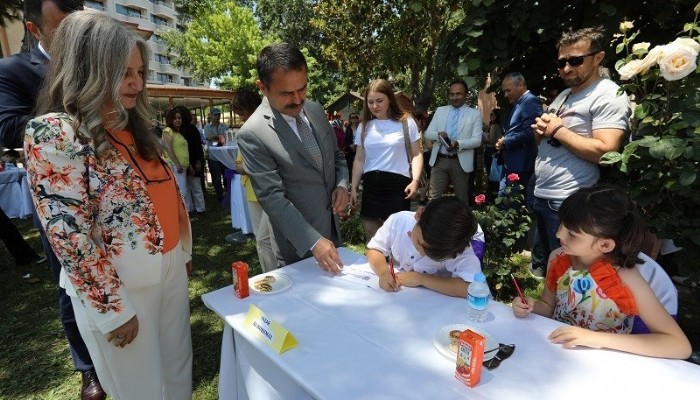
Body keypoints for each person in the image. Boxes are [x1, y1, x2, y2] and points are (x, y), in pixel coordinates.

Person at [25, 10, 193, 399]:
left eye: (139, 72)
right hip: (122, 292)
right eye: (124, 72)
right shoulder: (54, 133)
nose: (136, 83)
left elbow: (167, 196)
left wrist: (182, 251)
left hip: (169, 272)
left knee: (179, 378)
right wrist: (111, 309)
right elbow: (68, 234)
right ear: (90, 69)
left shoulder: (135, 126)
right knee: (143, 391)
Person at [0, 2, 106, 399]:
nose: (78, 36)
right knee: (71, 282)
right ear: (34, 28)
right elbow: (9, 129)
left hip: (114, 192)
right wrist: (69, 91)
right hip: (60, 200)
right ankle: (88, 368)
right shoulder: (13, 70)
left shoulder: (100, 61)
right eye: (64, 28)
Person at [512, 185, 691, 359]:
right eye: (561, 225)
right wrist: (532, 306)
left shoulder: (624, 277)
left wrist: (595, 338)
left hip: (606, 362)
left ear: (605, 244)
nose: (559, 234)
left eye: (572, 234)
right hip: (557, 354)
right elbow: (548, 305)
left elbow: (678, 345)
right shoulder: (558, 258)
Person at [237, 43, 349, 271]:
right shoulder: (253, 134)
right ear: (263, 87)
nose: (298, 100)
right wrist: (314, 241)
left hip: (334, 235)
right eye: (287, 93)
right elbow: (272, 198)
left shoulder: (316, 110)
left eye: (303, 89)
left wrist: (342, 184)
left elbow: (336, 156)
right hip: (298, 250)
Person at [531, 26, 631, 273]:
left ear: (598, 57)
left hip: (571, 200)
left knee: (573, 274)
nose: (566, 68)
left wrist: (557, 131)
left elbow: (607, 151)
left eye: (575, 60)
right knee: (553, 269)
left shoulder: (608, 94)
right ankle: (550, 309)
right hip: (544, 194)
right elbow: (550, 140)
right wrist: (540, 132)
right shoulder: (565, 94)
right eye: (562, 62)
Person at [350, 79, 423, 243]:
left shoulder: (406, 122)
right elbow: (359, 159)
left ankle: (396, 268)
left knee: (397, 235)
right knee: (371, 233)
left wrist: (415, 181)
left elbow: (417, 154)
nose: (375, 106)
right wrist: (353, 187)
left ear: (390, 98)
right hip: (371, 185)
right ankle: (376, 267)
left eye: (379, 101)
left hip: (397, 186)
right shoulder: (364, 127)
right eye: (370, 102)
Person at [366, 196, 482, 298]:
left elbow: (470, 288)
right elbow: (375, 249)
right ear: (419, 214)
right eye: (420, 243)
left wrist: (421, 279)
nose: (422, 253)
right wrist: (384, 273)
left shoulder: (456, 245)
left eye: (431, 253)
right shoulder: (398, 221)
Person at [232, 88, 276, 272]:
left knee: (267, 239)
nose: (241, 117)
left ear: (252, 107)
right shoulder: (244, 132)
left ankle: (275, 275)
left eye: (242, 112)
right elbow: (238, 166)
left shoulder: (266, 126)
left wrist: (251, 167)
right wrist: (252, 167)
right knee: (260, 238)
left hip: (271, 191)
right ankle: (269, 275)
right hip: (252, 191)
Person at [424, 80, 482, 204]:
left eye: (458, 94)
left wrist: (459, 144)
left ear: (466, 94)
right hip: (439, 160)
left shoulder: (475, 114)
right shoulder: (440, 111)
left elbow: (477, 140)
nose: (454, 97)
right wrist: (438, 135)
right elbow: (427, 133)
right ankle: (431, 223)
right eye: (452, 94)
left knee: (461, 200)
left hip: (460, 162)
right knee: (433, 200)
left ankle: (461, 223)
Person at [496, 72, 542, 196]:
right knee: (504, 204)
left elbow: (531, 132)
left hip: (522, 165)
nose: (505, 95)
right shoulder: (519, 103)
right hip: (511, 163)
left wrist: (506, 141)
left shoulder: (530, 101)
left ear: (521, 85)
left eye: (508, 90)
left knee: (515, 207)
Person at [174, 106, 206, 213]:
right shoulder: (176, 131)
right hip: (183, 162)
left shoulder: (192, 129)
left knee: (195, 186)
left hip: (193, 160)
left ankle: (200, 208)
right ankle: (189, 208)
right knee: (186, 188)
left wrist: (198, 162)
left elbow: (197, 147)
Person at [203, 107, 228, 203]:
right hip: (213, 157)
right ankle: (220, 198)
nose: (217, 116)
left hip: (224, 156)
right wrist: (220, 137)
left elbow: (226, 137)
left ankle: (227, 195)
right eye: (215, 115)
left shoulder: (224, 126)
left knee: (226, 176)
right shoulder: (207, 127)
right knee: (216, 179)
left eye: (219, 115)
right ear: (211, 115)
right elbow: (208, 137)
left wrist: (216, 137)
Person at [483, 108, 502, 198]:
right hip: (496, 150)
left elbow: (491, 140)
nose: (490, 116)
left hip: (491, 150)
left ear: (497, 116)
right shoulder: (498, 125)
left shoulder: (494, 126)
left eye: (492, 114)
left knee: (491, 173)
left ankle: (492, 194)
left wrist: (482, 138)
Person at [344, 112, 360, 177]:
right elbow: (346, 139)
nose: (355, 119)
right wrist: (351, 146)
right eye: (353, 117)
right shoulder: (348, 129)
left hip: (359, 148)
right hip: (350, 149)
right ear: (350, 119)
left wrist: (355, 145)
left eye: (356, 117)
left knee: (358, 165)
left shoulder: (360, 128)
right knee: (350, 165)